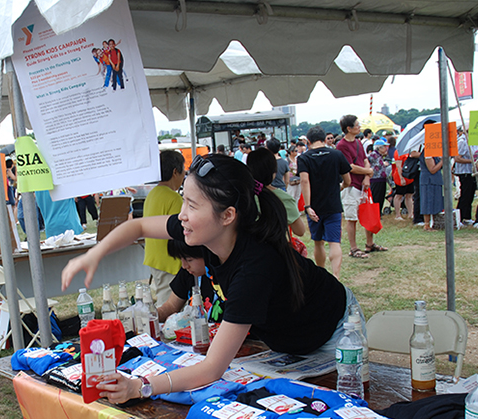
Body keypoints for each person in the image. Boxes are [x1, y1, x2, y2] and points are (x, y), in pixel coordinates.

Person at [61, 154, 361, 404]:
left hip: (336, 331)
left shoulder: (255, 266)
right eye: (183, 201)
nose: (181, 215)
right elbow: (138, 227)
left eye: (192, 205)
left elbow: (212, 369)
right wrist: (93, 255)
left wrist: (140, 386)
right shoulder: (204, 231)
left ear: (228, 215)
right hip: (289, 344)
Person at [297, 126, 352, 279]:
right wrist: (341, 187)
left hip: (314, 206)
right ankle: (336, 277)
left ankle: (321, 275)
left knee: (318, 241)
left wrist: (307, 206)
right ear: (324, 139)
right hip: (333, 205)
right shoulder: (336, 155)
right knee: (335, 242)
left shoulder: (304, 158)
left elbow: (304, 181)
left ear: (308, 141)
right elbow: (348, 180)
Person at [337, 114, 387, 257]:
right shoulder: (342, 145)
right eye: (357, 124)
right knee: (351, 217)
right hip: (351, 185)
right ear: (349, 128)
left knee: (368, 213)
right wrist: (368, 172)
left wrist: (367, 176)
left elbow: (365, 160)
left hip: (363, 184)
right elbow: (349, 167)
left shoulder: (358, 143)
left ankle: (370, 243)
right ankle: (353, 248)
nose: (359, 127)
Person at [143, 150, 185, 305]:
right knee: (169, 305)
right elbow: (180, 232)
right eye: (183, 171)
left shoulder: (152, 194)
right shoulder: (174, 197)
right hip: (170, 261)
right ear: (175, 171)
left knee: (163, 297)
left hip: (155, 257)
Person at [156, 239, 221, 323]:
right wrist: (151, 316)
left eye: (189, 260)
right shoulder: (189, 273)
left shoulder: (227, 277)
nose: (184, 266)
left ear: (207, 253)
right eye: (180, 259)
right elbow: (171, 306)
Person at [246, 147, 306, 237]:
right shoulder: (284, 198)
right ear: (274, 172)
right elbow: (300, 231)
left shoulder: (242, 195)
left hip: (246, 248)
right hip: (275, 248)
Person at [454, 125, 476, 224]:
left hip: (471, 171)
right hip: (464, 172)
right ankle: (460, 217)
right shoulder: (462, 141)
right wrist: (471, 161)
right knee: (465, 195)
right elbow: (457, 158)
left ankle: (466, 216)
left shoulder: (472, 141)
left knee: (470, 195)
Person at [418, 148, 444, 231]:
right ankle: (427, 224)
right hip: (429, 181)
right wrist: (443, 161)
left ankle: (434, 223)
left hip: (435, 180)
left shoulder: (434, 152)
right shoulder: (427, 153)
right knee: (428, 201)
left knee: (436, 201)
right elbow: (432, 169)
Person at [366, 138, 390, 215]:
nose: (386, 148)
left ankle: (378, 213)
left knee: (381, 196)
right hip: (375, 179)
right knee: (376, 197)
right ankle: (375, 213)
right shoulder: (373, 155)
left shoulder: (380, 156)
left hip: (381, 179)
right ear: (379, 148)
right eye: (384, 147)